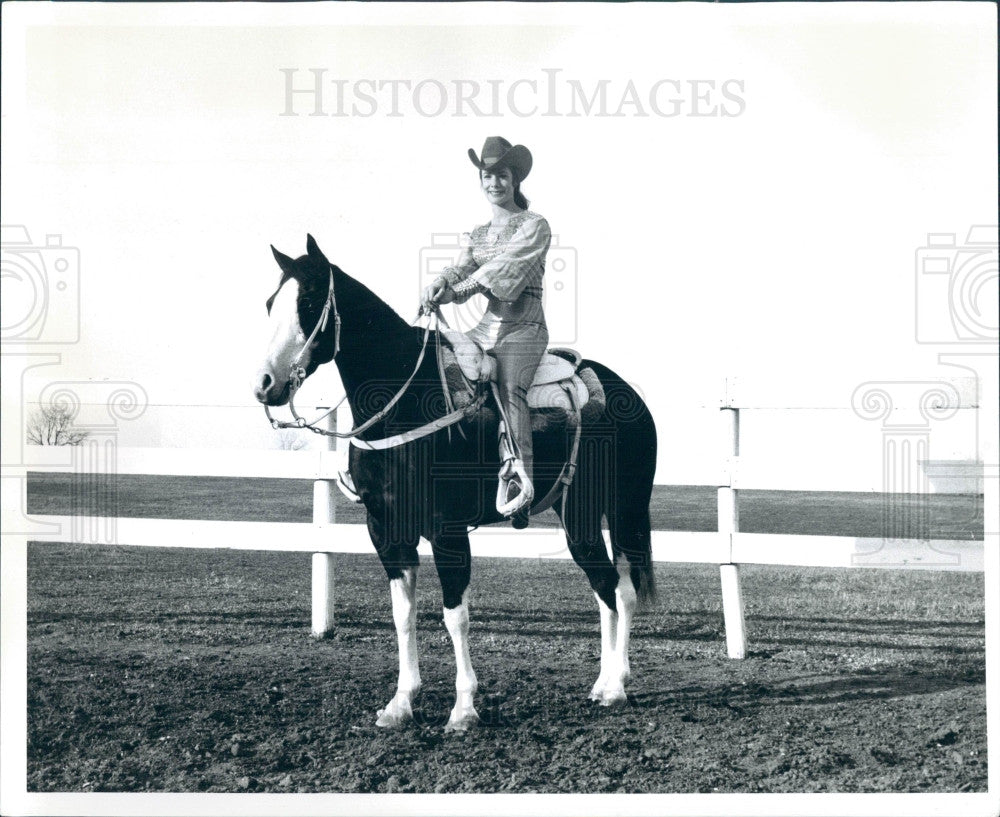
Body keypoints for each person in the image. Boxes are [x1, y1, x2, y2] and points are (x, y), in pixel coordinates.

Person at [421, 137, 551, 527]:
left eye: (502, 175)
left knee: (510, 386)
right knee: (439, 364)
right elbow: (462, 267)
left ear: (515, 180)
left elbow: (502, 270)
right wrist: (439, 283)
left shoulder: (534, 225)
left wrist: (458, 290)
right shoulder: (478, 233)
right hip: (484, 328)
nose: (494, 183)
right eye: (487, 176)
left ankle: (520, 483)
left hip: (524, 328)